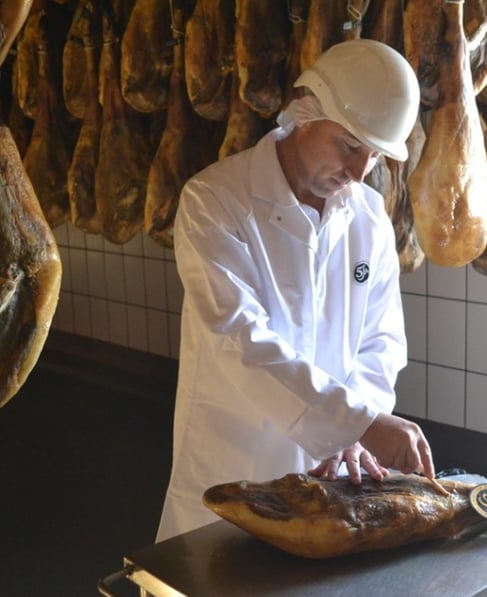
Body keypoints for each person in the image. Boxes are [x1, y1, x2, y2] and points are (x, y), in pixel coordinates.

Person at [155, 39, 438, 542]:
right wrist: (355, 422)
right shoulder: (215, 201)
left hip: (337, 474)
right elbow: (238, 338)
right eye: (350, 146)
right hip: (234, 462)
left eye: (374, 156)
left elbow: (382, 340)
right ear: (306, 114)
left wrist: (354, 426)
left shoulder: (369, 215)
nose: (359, 172)